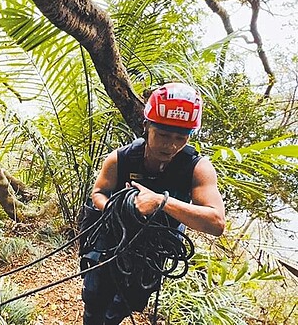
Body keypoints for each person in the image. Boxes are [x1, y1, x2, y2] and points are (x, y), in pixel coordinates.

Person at [81, 83, 226, 324]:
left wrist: (161, 202)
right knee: (95, 297)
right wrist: (116, 208)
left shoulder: (197, 168)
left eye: (181, 137)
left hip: (151, 250)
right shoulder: (121, 159)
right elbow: (99, 192)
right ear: (146, 126)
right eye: (163, 135)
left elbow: (216, 223)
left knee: (126, 302)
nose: (171, 146)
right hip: (111, 239)